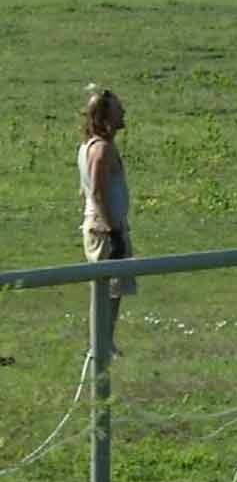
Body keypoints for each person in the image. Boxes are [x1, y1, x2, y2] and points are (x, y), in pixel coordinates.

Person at [78, 88, 137, 352]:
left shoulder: (97, 145)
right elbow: (97, 192)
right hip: (105, 230)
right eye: (117, 109)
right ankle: (99, 346)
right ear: (104, 117)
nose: (123, 112)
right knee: (108, 289)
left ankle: (103, 342)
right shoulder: (100, 149)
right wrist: (113, 231)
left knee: (112, 290)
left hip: (108, 226)